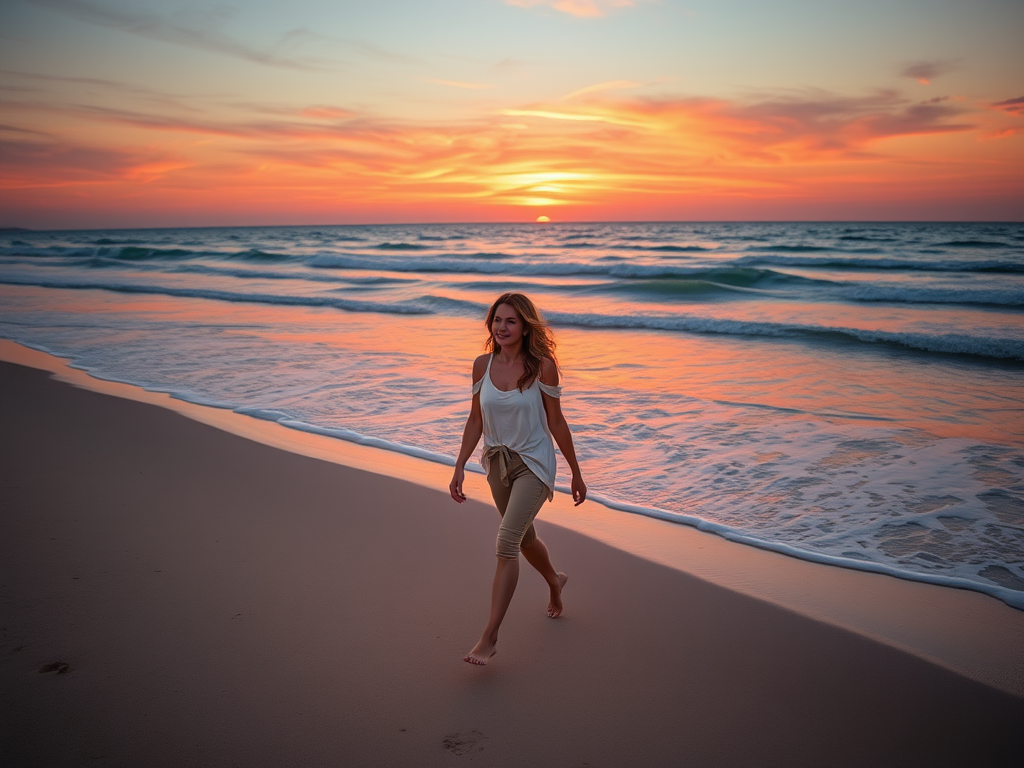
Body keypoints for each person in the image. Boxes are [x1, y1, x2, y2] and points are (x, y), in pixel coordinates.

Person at [450, 292, 587, 666]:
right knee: (524, 538)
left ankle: (489, 637)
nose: (502, 327)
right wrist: (460, 464)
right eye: (497, 320)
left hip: (534, 465)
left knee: (507, 540)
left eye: (510, 321)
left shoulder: (543, 366)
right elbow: (476, 420)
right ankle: (555, 581)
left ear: (526, 326)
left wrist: (575, 471)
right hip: (497, 463)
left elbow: (556, 421)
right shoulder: (482, 365)